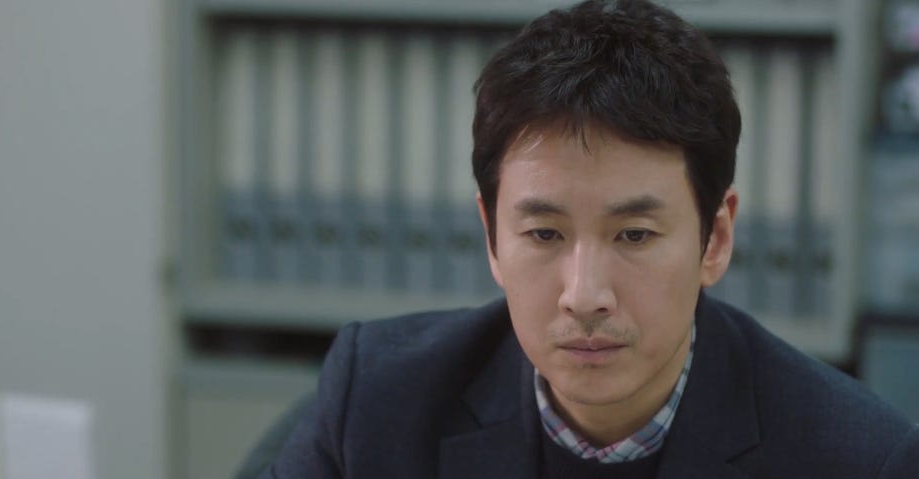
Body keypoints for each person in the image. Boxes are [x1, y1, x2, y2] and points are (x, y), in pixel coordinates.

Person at [263, 0, 919, 477]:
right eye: (544, 232)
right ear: (491, 237)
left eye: (633, 234)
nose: (584, 295)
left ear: (715, 239)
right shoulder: (376, 402)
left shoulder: (860, 458)